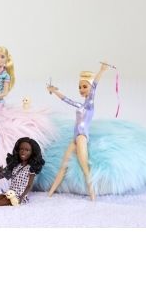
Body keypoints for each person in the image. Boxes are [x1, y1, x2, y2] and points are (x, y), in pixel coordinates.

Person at [46, 62, 111, 200]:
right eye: (80, 87)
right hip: (75, 138)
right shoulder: (80, 105)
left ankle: (92, 194)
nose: (81, 89)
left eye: (84, 86)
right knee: (63, 166)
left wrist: (101, 70)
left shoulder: (90, 104)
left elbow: (95, 86)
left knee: (84, 166)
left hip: (82, 137)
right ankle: (50, 193)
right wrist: (54, 91)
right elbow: (66, 99)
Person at [0, 137, 45, 208]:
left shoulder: (30, 168)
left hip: (17, 196)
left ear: (32, 153)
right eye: (21, 149)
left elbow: (29, 186)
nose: (23, 152)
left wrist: (21, 197)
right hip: (10, 193)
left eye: (27, 150)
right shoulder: (17, 165)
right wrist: (2, 172)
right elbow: (10, 176)